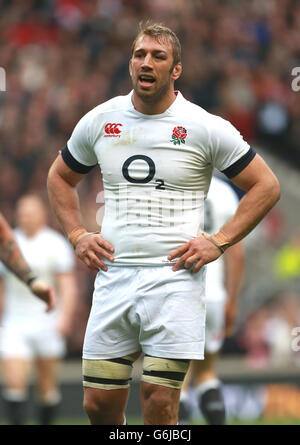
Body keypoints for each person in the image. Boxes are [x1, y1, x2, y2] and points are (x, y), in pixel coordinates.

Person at [47, 22, 280, 425]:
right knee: (97, 405)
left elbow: (266, 185)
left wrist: (220, 241)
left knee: (158, 402)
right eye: (139, 54)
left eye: (158, 56)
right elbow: (59, 177)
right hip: (114, 275)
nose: (146, 62)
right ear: (131, 63)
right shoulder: (102, 120)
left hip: (175, 280)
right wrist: (77, 233)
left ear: (176, 70)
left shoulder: (204, 126)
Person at [0, 195, 77, 425]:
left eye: (31, 212)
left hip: (47, 321)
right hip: (15, 322)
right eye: (22, 213)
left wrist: (64, 318)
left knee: (47, 387)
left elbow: (68, 287)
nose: (26, 217)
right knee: (14, 382)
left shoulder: (55, 244)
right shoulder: (11, 241)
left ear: (42, 214)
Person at [179, 175, 245, 425]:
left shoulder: (175, 181)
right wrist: (232, 300)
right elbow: (237, 254)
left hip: (181, 290)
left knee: (176, 378)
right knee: (207, 372)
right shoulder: (224, 191)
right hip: (215, 294)